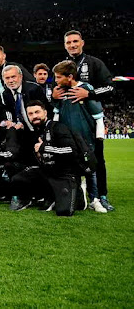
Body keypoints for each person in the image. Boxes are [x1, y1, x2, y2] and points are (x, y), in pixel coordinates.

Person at [62, 30, 114, 211]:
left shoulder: (94, 63)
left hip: (90, 122)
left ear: (82, 42)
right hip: (69, 122)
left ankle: (102, 196)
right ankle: (76, 195)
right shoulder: (62, 66)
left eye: (75, 41)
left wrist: (89, 93)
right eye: (68, 42)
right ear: (65, 45)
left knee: (97, 160)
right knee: (70, 159)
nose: (72, 45)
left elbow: (110, 87)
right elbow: (55, 88)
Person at [51, 60, 106, 213]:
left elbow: (98, 115)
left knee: (91, 169)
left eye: (58, 77)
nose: (55, 80)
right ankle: (77, 198)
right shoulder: (59, 91)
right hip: (66, 140)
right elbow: (56, 113)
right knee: (70, 169)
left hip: (85, 137)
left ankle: (95, 199)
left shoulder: (85, 89)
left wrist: (99, 136)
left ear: (69, 77)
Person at [9, 101, 81, 216]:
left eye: (37, 112)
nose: (34, 116)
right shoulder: (36, 131)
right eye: (30, 114)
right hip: (47, 172)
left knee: (64, 211)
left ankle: (77, 192)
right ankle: (43, 196)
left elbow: (71, 151)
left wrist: (44, 147)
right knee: (18, 178)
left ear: (45, 112)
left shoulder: (58, 127)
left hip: (64, 174)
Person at [1, 65, 49, 131]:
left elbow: (46, 111)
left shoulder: (34, 89)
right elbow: (12, 113)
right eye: (7, 78)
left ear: (21, 76)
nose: (11, 80)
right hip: (22, 130)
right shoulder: (6, 94)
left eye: (13, 77)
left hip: (40, 128)